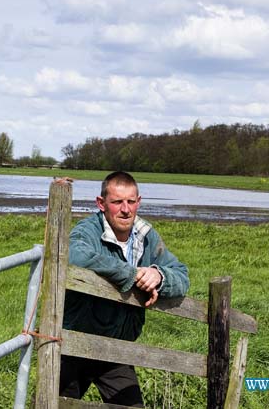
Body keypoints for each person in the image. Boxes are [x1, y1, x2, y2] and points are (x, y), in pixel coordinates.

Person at [60, 171, 190, 407]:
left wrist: (158, 275)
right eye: (117, 202)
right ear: (101, 203)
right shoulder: (88, 231)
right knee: (55, 404)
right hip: (75, 343)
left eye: (131, 202)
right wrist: (131, 274)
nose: (126, 209)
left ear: (138, 201)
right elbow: (74, 255)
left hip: (117, 348)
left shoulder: (146, 237)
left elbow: (181, 275)